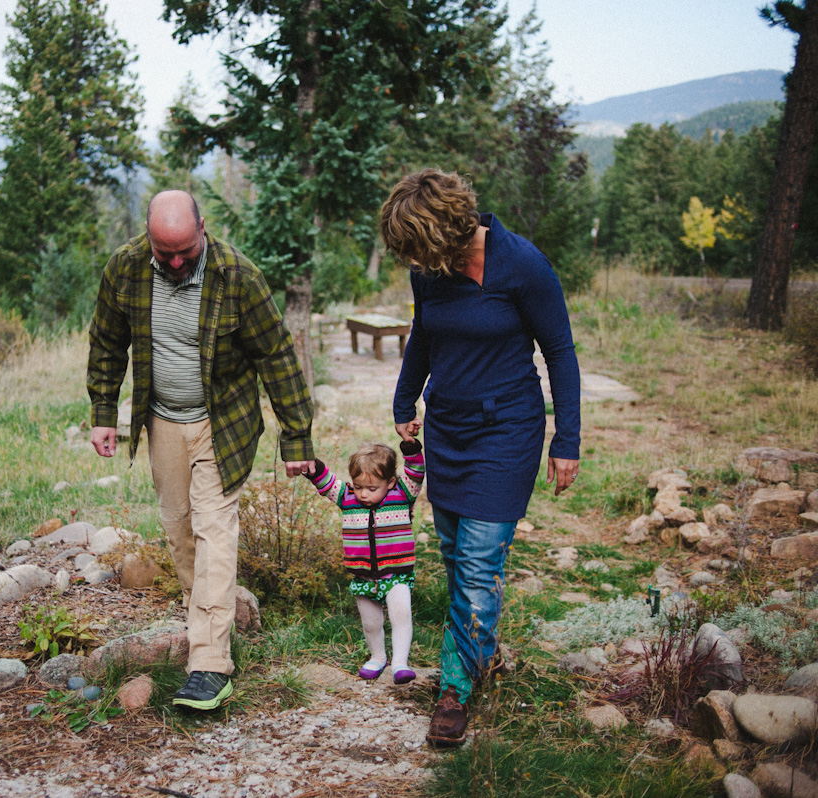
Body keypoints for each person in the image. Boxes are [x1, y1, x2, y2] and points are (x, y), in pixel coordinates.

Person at [87, 190, 316, 711]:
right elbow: (106, 340)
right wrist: (104, 411)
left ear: (203, 230)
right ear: (147, 236)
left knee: (214, 528)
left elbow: (277, 355)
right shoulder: (125, 268)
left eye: (184, 252)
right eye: (162, 251)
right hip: (163, 420)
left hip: (224, 421)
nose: (173, 262)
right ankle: (211, 619)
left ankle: (210, 664)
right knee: (180, 530)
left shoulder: (237, 276)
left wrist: (296, 436)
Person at [381, 169, 581, 746]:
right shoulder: (430, 269)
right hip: (449, 429)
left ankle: (455, 689)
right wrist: (405, 399)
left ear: (449, 229)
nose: (418, 263)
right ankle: (482, 652)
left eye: (422, 248)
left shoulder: (523, 265)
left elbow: (560, 351)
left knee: (476, 561)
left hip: (508, 431)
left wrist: (565, 439)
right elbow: (424, 334)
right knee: (454, 553)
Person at [306, 441, 426, 684]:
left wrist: (411, 450)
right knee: (371, 623)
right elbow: (327, 483)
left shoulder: (402, 493)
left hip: (396, 574)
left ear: (390, 482)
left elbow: (416, 472)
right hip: (363, 576)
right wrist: (313, 469)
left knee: (400, 615)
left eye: (372, 488)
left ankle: (400, 663)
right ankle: (377, 657)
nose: (363, 493)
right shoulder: (347, 498)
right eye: (359, 486)